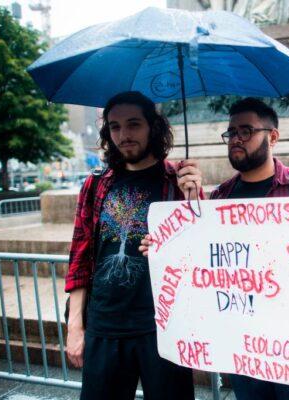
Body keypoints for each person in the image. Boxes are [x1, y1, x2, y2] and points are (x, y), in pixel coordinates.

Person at [142, 97, 289, 400]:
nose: (236, 140)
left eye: (246, 131)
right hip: (244, 345)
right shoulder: (221, 196)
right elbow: (203, 256)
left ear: (273, 136)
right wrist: (165, 249)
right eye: (231, 133)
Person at [64, 91, 201, 400]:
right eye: (114, 127)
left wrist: (193, 197)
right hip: (105, 325)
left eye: (133, 124)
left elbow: (200, 255)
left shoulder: (177, 181)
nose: (123, 135)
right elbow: (80, 256)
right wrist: (75, 327)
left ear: (153, 127)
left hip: (164, 327)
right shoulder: (97, 183)